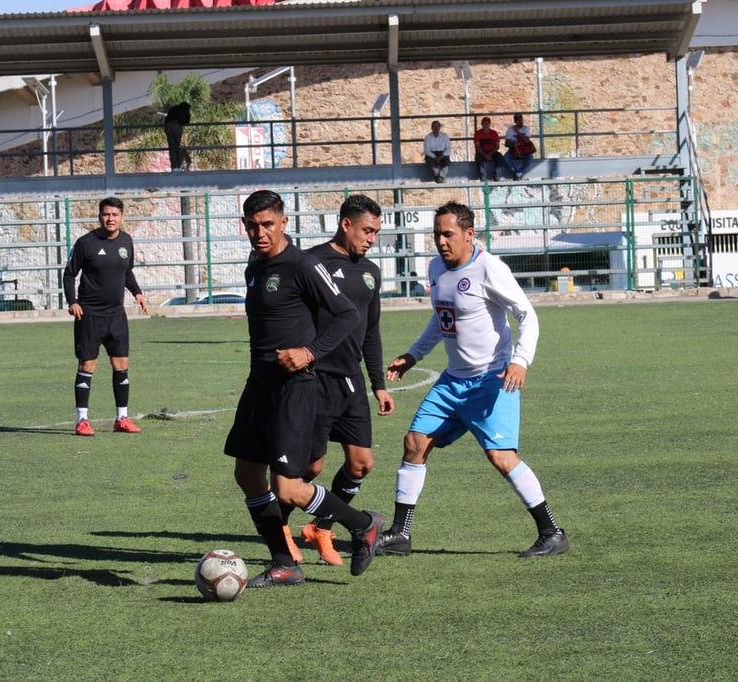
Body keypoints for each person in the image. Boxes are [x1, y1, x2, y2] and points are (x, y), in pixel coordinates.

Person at [376, 201, 569, 559]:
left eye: (448, 234)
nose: (441, 241)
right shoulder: (436, 267)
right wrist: (414, 355)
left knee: (501, 456)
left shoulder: (489, 268)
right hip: (452, 382)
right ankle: (401, 534)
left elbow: (527, 315)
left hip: (492, 379)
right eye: (436, 234)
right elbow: (442, 317)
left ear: (469, 234)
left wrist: (520, 361)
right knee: (415, 443)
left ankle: (552, 532)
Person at [224, 189, 383, 587]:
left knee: (290, 488)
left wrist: (310, 352)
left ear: (283, 223)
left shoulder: (303, 265)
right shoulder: (255, 267)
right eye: (252, 226)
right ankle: (284, 563)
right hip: (259, 385)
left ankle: (362, 525)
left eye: (268, 224)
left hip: (293, 389)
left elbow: (348, 315)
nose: (260, 233)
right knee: (247, 475)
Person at [277, 194, 395, 567]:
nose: (371, 239)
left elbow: (371, 331)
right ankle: (279, 529)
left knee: (361, 464)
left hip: (350, 380)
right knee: (310, 468)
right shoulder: (312, 263)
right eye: (367, 231)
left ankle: (321, 527)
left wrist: (378, 384)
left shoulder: (371, 272)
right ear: (345, 224)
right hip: (314, 379)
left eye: (375, 232)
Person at [62, 197, 149, 437]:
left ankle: (122, 418)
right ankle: (82, 420)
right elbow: (69, 274)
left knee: (121, 365)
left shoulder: (126, 241)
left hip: (116, 315)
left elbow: (127, 271)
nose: (110, 219)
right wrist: (72, 302)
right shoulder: (85, 243)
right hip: (89, 315)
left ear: (122, 217)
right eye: (106, 214)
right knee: (87, 365)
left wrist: (137, 292)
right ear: (99, 216)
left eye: (114, 215)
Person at [503, 113, 536, 180]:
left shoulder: (526, 129)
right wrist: (513, 143)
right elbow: (506, 144)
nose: (520, 122)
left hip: (525, 150)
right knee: (506, 158)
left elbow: (527, 141)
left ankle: (519, 173)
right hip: (514, 150)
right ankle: (516, 173)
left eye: (521, 120)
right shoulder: (510, 130)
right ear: (515, 121)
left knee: (530, 157)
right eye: (518, 120)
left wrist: (518, 132)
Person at [473, 116, 505, 181]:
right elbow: (477, 147)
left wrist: (490, 154)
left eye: (487, 124)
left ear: (489, 124)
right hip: (482, 153)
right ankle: (483, 178)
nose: (486, 125)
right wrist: (485, 155)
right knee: (478, 158)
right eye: (484, 124)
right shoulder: (478, 133)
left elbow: (497, 146)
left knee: (500, 157)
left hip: (492, 152)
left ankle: (497, 176)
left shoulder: (494, 133)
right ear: (482, 124)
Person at [163, 101, 191, 172]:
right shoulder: (185, 110)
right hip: (177, 127)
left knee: (172, 147)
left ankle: (174, 167)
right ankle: (178, 166)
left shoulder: (173, 108)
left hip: (168, 126)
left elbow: (167, 118)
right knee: (177, 147)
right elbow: (187, 121)